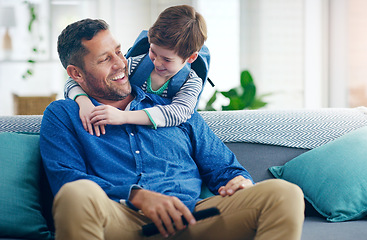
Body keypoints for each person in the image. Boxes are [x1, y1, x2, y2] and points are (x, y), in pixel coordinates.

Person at [40, 18, 305, 240]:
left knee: (284, 193)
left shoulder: (175, 107)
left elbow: (224, 168)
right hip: (122, 220)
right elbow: (67, 178)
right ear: (76, 74)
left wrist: (237, 182)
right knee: (76, 194)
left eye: (119, 51)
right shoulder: (64, 115)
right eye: (104, 59)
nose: (120, 63)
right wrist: (139, 197)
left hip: (192, 218)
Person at [64, 5, 209, 136]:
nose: (157, 62)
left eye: (166, 59)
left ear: (191, 58)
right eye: (153, 51)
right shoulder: (137, 66)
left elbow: (178, 113)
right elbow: (74, 80)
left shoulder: (190, 82)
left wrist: (123, 117)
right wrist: (84, 102)